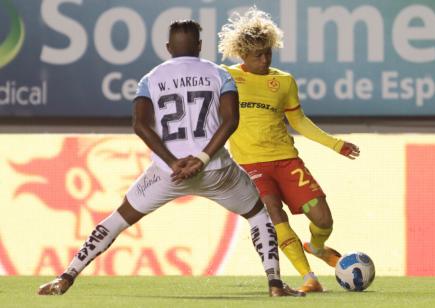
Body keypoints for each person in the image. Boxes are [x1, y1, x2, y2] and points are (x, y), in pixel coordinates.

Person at [37, 20, 304, 298]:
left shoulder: (150, 78)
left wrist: (172, 161)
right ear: (199, 46)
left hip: (168, 172)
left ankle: (66, 277)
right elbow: (231, 121)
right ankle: (275, 284)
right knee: (258, 214)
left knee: (118, 218)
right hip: (216, 169)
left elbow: (140, 125)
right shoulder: (218, 74)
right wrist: (200, 159)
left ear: (168, 47)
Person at [218, 8, 360, 293]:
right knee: (274, 213)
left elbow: (299, 122)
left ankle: (317, 247)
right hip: (252, 165)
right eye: (257, 55)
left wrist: (336, 144)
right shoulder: (225, 77)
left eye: (268, 53)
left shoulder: (283, 81)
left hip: (286, 161)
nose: (264, 59)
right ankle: (309, 277)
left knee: (323, 219)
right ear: (242, 53)